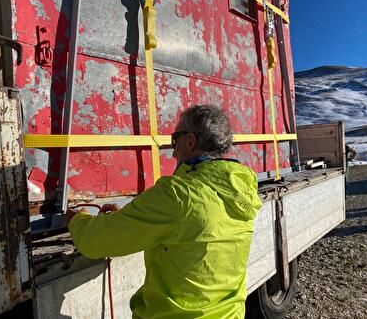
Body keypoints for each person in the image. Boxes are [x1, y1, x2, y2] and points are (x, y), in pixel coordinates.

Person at [66, 105, 262, 318]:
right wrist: (130, 214)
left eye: (174, 139)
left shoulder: (178, 195)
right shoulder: (239, 192)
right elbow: (194, 231)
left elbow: (93, 241)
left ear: (190, 141)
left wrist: (77, 218)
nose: (173, 150)